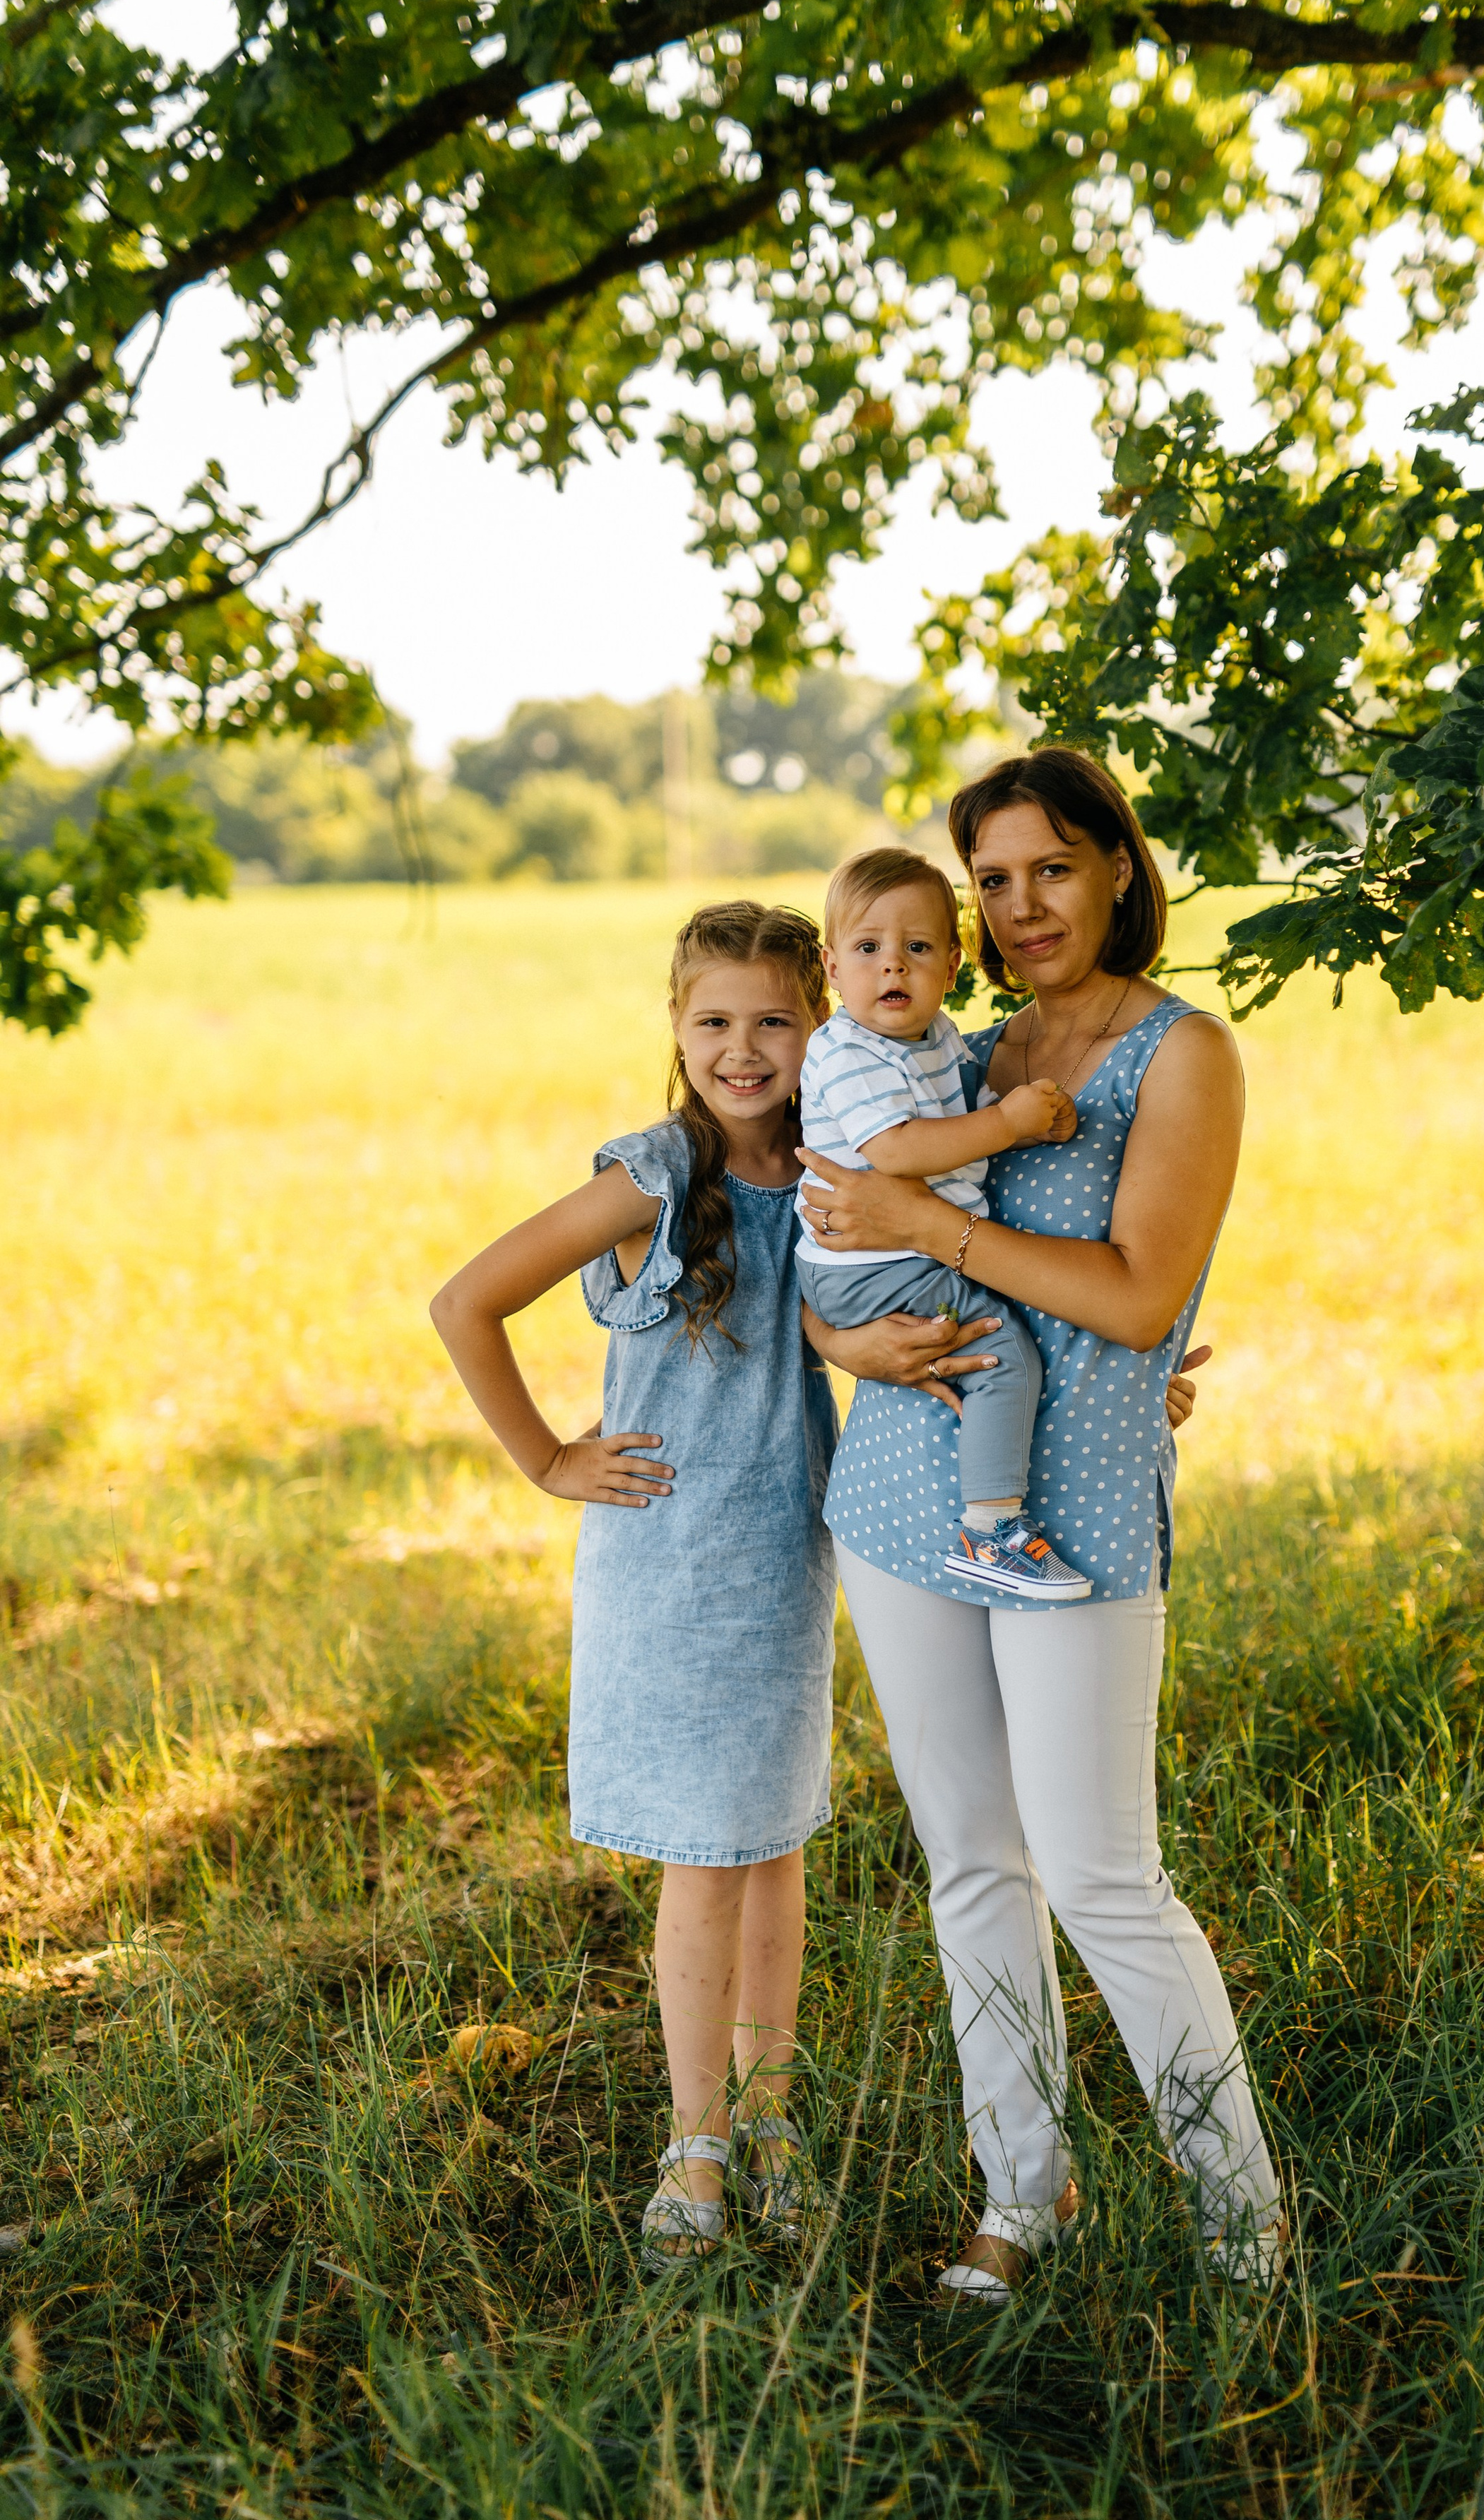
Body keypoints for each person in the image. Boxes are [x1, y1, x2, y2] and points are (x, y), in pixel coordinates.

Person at [799, 747, 1283, 2302]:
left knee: (1099, 1875)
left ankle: (1242, 2232)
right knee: (970, 1864)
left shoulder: (1180, 1053)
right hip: (896, 1491)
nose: (1017, 908)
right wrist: (843, 1343)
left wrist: (938, 1223)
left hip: (1065, 1514)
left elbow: (1137, 1299)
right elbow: (834, 1227)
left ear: (1117, 872)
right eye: (990, 881)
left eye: (1049, 870)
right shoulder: (962, 1041)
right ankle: (1023, 2193)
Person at [429, 899, 860, 2270]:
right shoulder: (655, 1174)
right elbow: (464, 1302)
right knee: (704, 1862)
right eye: (714, 1021)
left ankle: (773, 2112)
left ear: (819, 1027)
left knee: (776, 1844)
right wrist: (549, 1455)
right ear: (676, 1029)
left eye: (774, 1020)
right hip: (669, 1572)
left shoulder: (840, 1172)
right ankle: (697, 2136)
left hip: (783, 1559)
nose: (744, 1048)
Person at [795, 844, 1091, 1604]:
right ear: (832, 968)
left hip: (891, 1254)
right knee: (1002, 1355)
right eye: (868, 949)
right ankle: (991, 1529)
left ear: (952, 964)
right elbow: (894, 1151)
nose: (892, 967)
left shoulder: (932, 1037)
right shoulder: (845, 1050)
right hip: (869, 1265)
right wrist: (1008, 1123)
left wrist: (1029, 1116)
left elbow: (958, 1100)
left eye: (916, 947)